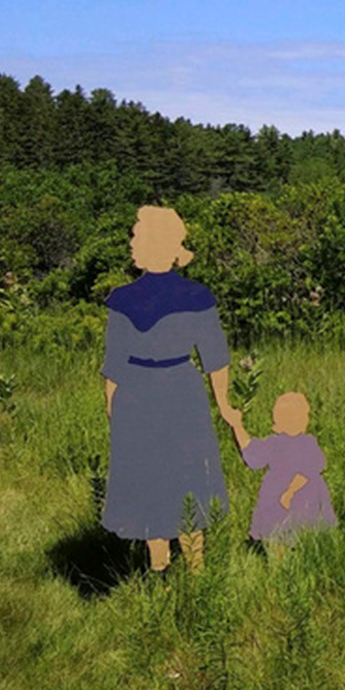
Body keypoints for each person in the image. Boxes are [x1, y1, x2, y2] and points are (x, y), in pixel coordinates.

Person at [101, 206, 243, 572]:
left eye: (136, 236)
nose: (131, 243)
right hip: (182, 392)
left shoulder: (121, 299)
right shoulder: (198, 296)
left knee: (150, 478)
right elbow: (216, 359)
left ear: (153, 243)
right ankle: (193, 570)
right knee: (188, 477)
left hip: (140, 394)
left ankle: (161, 567)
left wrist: (113, 410)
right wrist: (224, 405)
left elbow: (113, 369)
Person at [227, 391, 337, 543]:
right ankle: (306, 552)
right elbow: (314, 467)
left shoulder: (274, 444)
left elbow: (251, 453)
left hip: (279, 497)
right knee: (307, 531)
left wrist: (237, 426)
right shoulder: (308, 443)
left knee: (277, 533)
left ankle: (278, 560)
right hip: (308, 499)